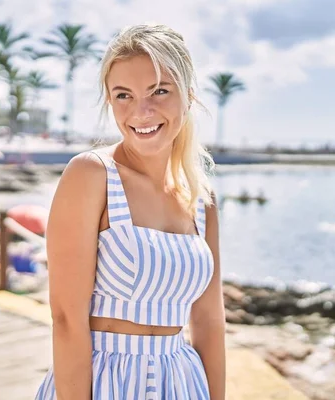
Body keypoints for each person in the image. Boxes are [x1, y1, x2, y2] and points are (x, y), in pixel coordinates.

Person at [35, 23, 225, 399]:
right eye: (123, 95)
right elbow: (67, 319)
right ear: (109, 100)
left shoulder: (201, 201)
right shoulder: (92, 175)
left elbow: (208, 322)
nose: (142, 111)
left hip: (182, 382)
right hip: (106, 381)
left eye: (160, 91)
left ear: (187, 96)